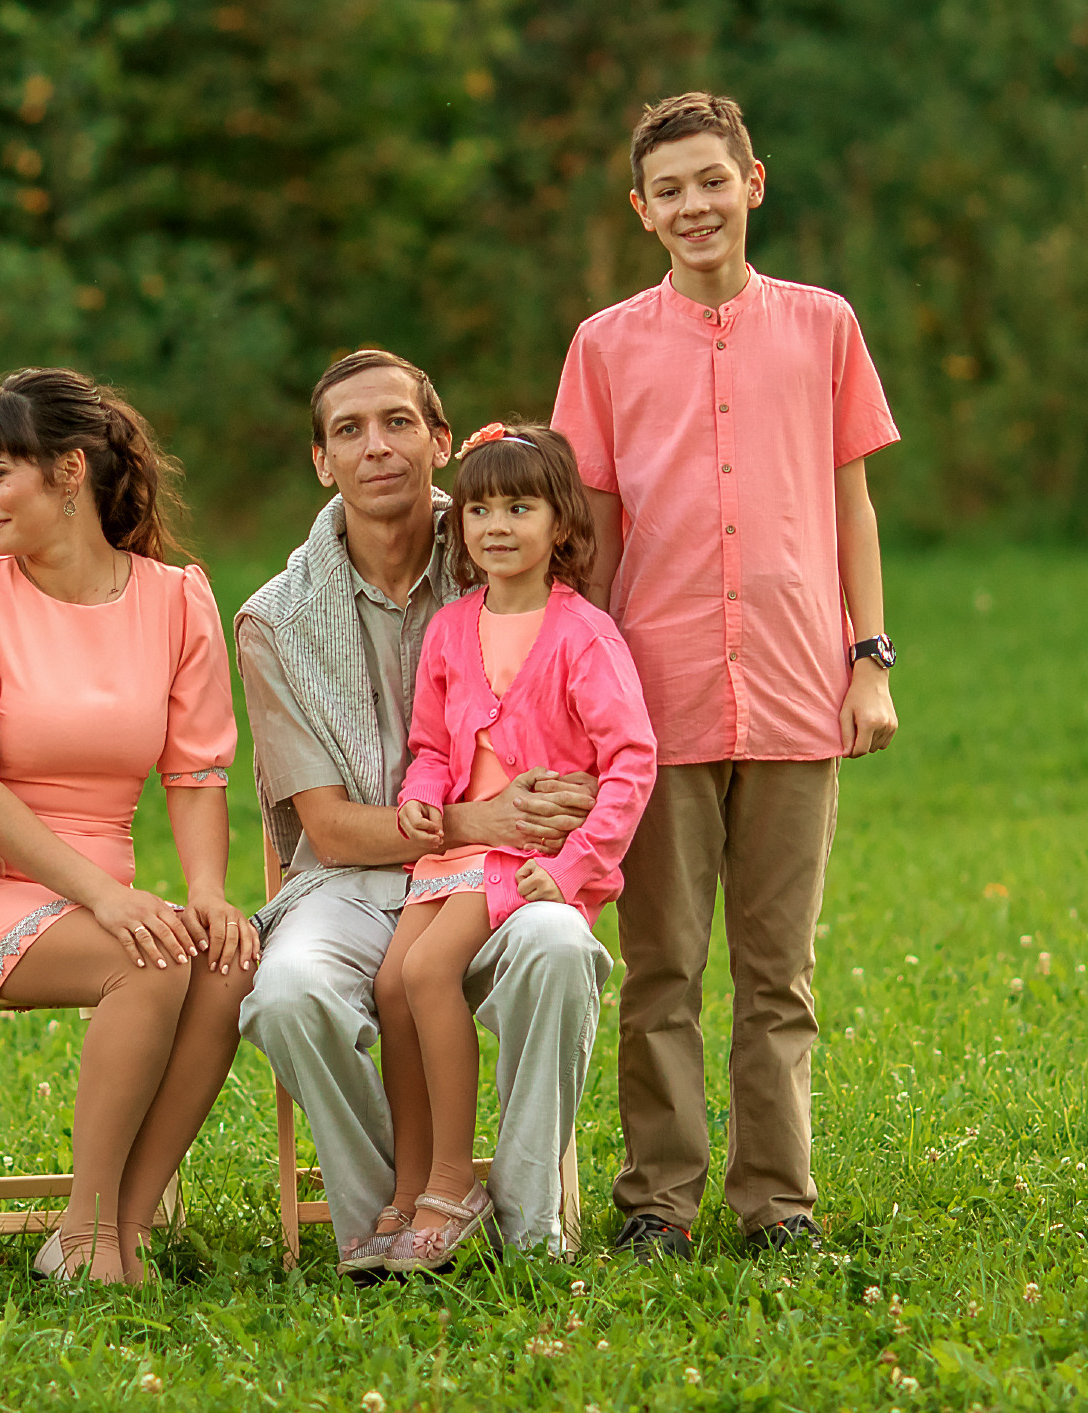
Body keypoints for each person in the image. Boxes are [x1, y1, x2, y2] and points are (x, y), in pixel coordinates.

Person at [551, 93, 902, 1261]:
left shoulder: (823, 325)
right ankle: (656, 1202)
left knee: (777, 976)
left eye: (713, 181)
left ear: (752, 185)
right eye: (670, 190)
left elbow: (850, 502)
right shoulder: (603, 346)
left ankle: (776, 1206)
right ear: (641, 212)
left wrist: (869, 661)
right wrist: (573, 699)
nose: (694, 204)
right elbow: (586, 529)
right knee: (659, 969)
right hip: (653, 702)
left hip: (803, 692)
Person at [236, 350, 611, 1266]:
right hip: (350, 881)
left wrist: (566, 803)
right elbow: (327, 827)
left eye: (399, 422)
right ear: (321, 461)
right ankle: (386, 1217)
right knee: (285, 994)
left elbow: (587, 738)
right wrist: (482, 817)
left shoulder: (505, 550)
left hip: (495, 880)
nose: (378, 448)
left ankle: (525, 1228)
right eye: (349, 431)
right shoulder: (275, 620)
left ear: (440, 440)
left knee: (561, 949)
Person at [0, 367, 254, 1286]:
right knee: (150, 956)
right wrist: (109, 895)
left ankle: (108, 1228)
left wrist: (207, 894)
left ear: (68, 472)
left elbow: (197, 772)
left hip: (103, 892)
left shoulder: (177, 600)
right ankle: (93, 1234)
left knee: (220, 959)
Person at [349, 423, 657, 1275]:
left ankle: (456, 1183)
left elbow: (632, 761)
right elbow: (434, 747)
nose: (495, 525)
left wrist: (571, 867)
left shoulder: (583, 635)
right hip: (456, 851)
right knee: (389, 983)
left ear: (560, 523)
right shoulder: (452, 627)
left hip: (528, 862)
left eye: (519, 506)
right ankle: (412, 1189)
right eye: (479, 507)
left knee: (422, 972)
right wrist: (419, 801)